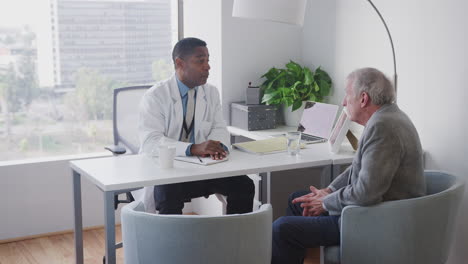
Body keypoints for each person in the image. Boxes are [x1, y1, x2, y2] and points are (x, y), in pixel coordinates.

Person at [271, 67, 426, 264]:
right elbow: (356, 168)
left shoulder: (382, 127)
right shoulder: (387, 117)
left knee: (282, 229)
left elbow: (366, 193)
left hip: (376, 220)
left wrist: (326, 202)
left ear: (363, 99)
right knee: (299, 201)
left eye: (347, 94)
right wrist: (327, 190)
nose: (344, 101)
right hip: (372, 210)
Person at [137, 37, 254, 214]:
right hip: (168, 171)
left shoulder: (211, 92)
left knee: (243, 185)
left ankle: (235, 239)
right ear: (180, 63)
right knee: (167, 192)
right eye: (200, 61)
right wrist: (192, 148)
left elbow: (219, 128)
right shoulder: (155, 96)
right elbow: (151, 141)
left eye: (208, 60)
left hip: (202, 168)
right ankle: (172, 242)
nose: (207, 66)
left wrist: (218, 147)